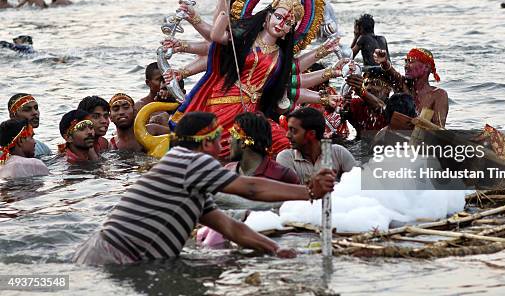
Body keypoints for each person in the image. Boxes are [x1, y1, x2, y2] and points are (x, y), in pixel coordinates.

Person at [73, 112, 336, 265]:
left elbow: (231, 228)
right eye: (217, 137)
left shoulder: (189, 179)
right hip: (114, 258)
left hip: (105, 255)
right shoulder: (190, 161)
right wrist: (309, 192)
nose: (221, 143)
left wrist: (275, 249)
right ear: (207, 142)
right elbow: (251, 189)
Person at [167, 0, 345, 160]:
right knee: (219, 148)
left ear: (289, 31)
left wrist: (325, 55)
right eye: (279, 16)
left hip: (253, 113)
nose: (281, 23)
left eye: (287, 23)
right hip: (222, 103)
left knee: (283, 143)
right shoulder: (244, 38)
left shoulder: (281, 56)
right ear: (268, 15)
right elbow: (216, 36)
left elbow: (293, 77)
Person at [277, 107, 355, 184]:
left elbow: (357, 184)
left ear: (311, 134)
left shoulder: (338, 153)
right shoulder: (286, 158)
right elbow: (291, 193)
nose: (287, 135)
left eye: (293, 130)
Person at [374, 47, 449, 128]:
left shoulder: (438, 94)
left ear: (426, 67)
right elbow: (392, 73)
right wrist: (384, 62)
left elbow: (440, 129)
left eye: (411, 62)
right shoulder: (402, 86)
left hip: (422, 138)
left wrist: (419, 122)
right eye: (406, 62)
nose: (406, 66)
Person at [225, 112, 300, 184]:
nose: (229, 141)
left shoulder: (283, 176)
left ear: (243, 143)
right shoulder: (227, 171)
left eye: (232, 135)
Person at [341, 67, 392, 139]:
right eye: (366, 83)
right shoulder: (357, 104)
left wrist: (360, 91)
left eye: (374, 84)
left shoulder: (395, 106)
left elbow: (380, 106)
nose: (368, 87)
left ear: (388, 89)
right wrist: (342, 107)